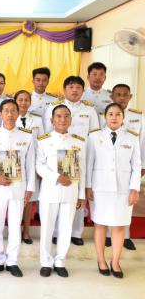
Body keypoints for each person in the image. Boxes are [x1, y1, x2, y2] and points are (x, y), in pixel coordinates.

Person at [86, 103, 141, 279]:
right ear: (105, 117)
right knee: (100, 224)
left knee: (119, 226)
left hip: (123, 190)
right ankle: (101, 260)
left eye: (118, 114)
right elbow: (89, 164)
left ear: (123, 117)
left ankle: (115, 261)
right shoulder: (94, 137)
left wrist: (135, 189)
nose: (114, 117)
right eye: (110, 114)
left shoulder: (132, 138)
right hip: (100, 188)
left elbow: (137, 165)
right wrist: (87, 186)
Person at [43, 76, 100, 246]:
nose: (74, 90)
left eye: (78, 87)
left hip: (80, 154)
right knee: (57, 194)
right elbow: (47, 133)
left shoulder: (89, 110)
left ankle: (76, 232)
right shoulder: (53, 107)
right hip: (55, 157)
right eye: (71, 87)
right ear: (64, 89)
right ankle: (54, 232)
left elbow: (94, 135)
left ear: (83, 90)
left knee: (76, 194)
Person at [0, 99, 35, 278]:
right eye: (6, 111)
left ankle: (12, 260)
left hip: (18, 188)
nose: (10, 114)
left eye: (13, 111)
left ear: (18, 113)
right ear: (0, 114)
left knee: (15, 225)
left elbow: (30, 164)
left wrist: (30, 188)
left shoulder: (27, 136)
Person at [36, 105, 86, 278]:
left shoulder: (79, 141)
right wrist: (56, 177)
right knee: (47, 229)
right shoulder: (43, 140)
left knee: (66, 229)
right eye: (58, 116)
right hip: (50, 191)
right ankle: (46, 262)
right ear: (52, 120)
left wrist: (81, 195)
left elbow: (83, 169)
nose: (62, 120)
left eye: (66, 116)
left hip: (71, 191)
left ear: (71, 119)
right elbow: (39, 165)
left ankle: (60, 261)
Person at [102, 84, 145, 250]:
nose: (121, 98)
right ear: (112, 97)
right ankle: (107, 235)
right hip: (108, 166)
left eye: (125, 95)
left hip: (129, 166)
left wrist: (142, 165)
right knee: (108, 199)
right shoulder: (105, 115)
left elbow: (142, 142)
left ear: (130, 97)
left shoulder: (138, 117)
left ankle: (125, 236)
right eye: (118, 95)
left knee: (127, 201)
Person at [14, 90, 44, 244]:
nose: (23, 102)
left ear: (30, 102)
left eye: (26, 100)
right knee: (16, 199)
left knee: (29, 198)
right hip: (14, 164)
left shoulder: (37, 120)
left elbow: (42, 144)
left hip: (32, 165)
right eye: (20, 99)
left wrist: (40, 167)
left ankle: (26, 230)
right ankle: (15, 229)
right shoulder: (9, 117)